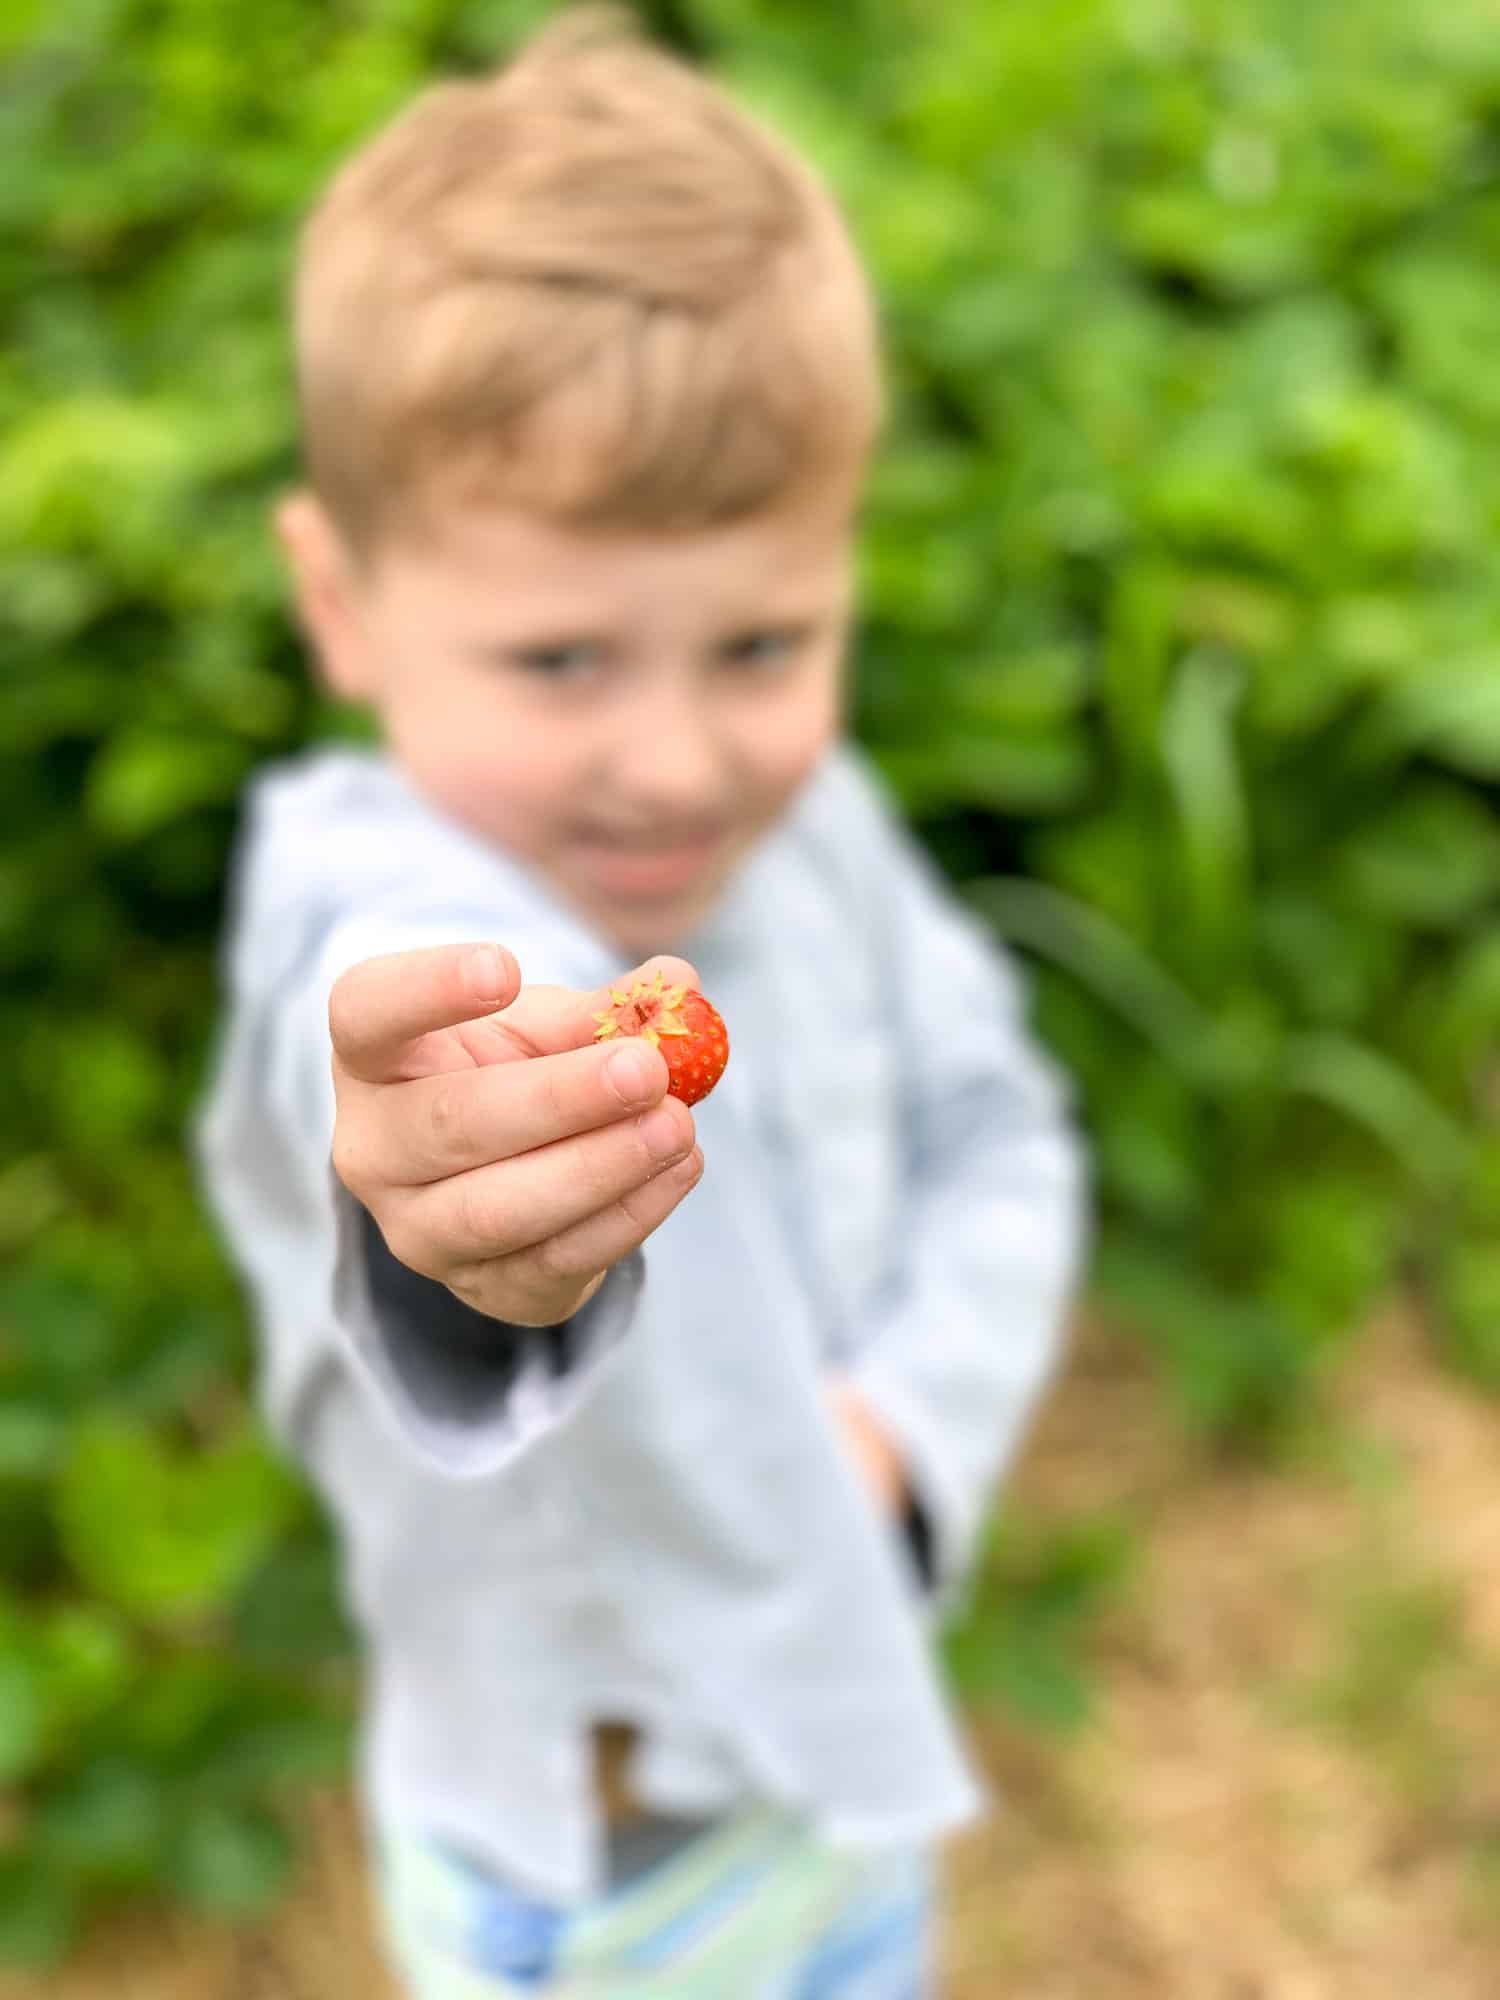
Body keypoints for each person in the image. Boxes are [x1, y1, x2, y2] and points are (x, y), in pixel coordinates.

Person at [194, 8, 1087, 1994]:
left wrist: (902, 1435)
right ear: (343, 607)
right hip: (575, 1872)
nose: (677, 765)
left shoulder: (825, 831)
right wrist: (452, 1210)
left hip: (844, 1779)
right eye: (561, 661)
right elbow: (379, 1064)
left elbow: (999, 1127)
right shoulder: (372, 906)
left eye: (762, 645)